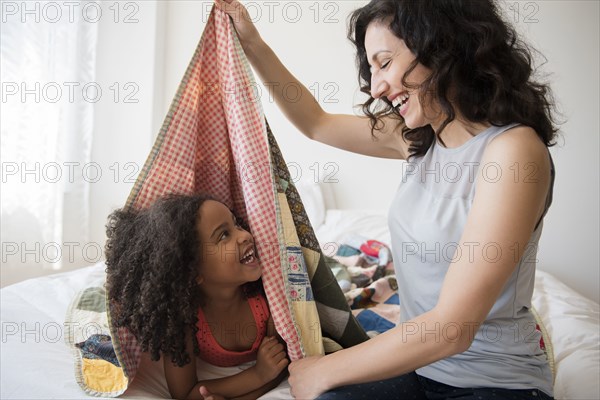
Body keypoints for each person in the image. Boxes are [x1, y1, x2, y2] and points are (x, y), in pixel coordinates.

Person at [215, 0, 558, 399]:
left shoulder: (513, 152)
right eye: (371, 69)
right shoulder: (420, 138)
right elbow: (315, 122)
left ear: (441, 46)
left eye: (385, 62)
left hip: (494, 381)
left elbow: (453, 327)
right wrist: (252, 43)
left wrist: (326, 370)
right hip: (420, 368)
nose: (376, 87)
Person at [105, 194, 289, 400]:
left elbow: (279, 368)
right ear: (193, 272)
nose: (244, 235)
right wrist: (257, 375)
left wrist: (260, 375)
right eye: (223, 235)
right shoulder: (183, 323)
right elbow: (185, 393)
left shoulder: (269, 299)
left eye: (236, 224)